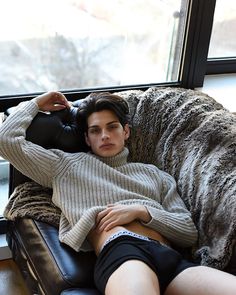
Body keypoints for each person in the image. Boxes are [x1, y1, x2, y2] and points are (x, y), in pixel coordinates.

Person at [0, 91, 235, 295]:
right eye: (95, 130)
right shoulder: (65, 166)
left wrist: (141, 211)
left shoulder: (154, 174)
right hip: (122, 251)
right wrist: (36, 103)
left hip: (171, 259)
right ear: (87, 139)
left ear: (126, 132)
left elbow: (187, 232)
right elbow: (6, 140)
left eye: (112, 127)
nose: (104, 135)